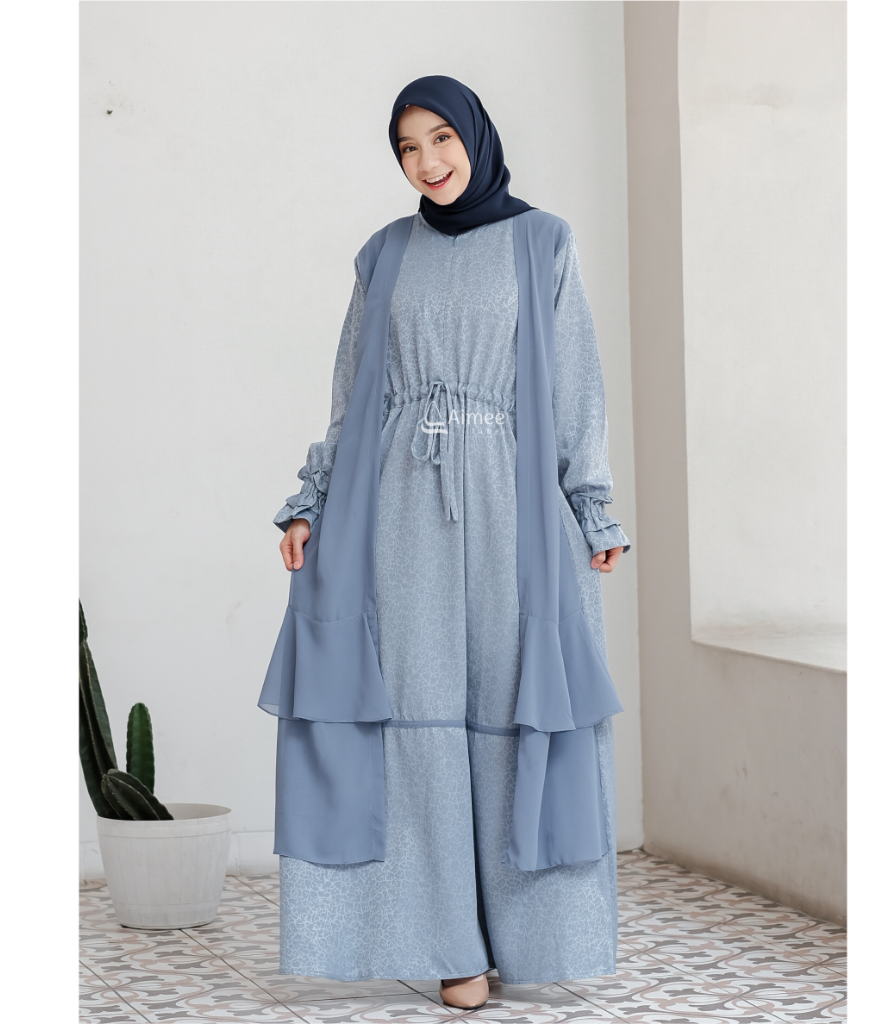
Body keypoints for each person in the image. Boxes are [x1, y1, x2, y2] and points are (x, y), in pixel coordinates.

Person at [261, 76, 629, 1011]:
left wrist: (592, 508)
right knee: (415, 722)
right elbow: (352, 396)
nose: (426, 162)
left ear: (474, 136)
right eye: (407, 148)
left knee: (512, 712)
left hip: (514, 511)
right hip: (394, 512)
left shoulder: (543, 242)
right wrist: (310, 503)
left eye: (440, 139)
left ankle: (523, 939)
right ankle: (448, 947)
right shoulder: (384, 253)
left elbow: (576, 386)